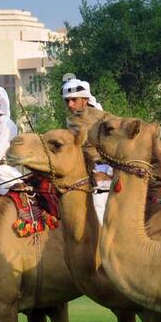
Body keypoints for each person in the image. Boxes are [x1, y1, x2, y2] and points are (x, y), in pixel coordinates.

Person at [61, 76, 110, 221]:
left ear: (85, 100)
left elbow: (115, 151)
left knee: (96, 210)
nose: (70, 104)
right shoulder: (72, 121)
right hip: (82, 174)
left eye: (74, 100)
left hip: (102, 176)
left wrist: (105, 175)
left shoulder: (102, 121)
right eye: (67, 101)